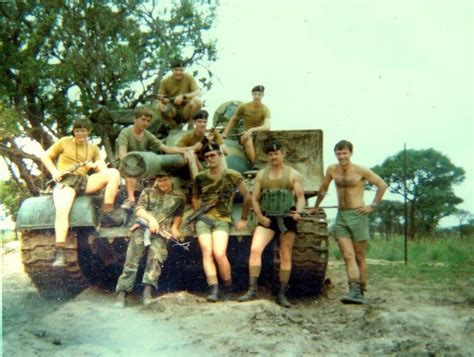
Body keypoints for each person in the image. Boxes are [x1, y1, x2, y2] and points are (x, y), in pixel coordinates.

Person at [311, 140, 387, 304]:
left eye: (345, 153)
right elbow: (323, 188)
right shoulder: (332, 169)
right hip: (342, 216)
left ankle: (361, 290)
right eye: (339, 153)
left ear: (350, 153)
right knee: (347, 255)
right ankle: (353, 290)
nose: (342, 156)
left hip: (358, 215)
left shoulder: (361, 170)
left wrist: (372, 206)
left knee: (359, 256)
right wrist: (316, 206)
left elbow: (382, 185)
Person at [40, 119, 122, 267]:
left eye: (83, 130)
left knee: (114, 173)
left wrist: (95, 166)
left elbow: (103, 169)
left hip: (84, 181)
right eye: (77, 130)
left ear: (88, 132)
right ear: (74, 131)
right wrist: (54, 172)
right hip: (66, 181)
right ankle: (60, 252)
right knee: (62, 211)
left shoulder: (93, 148)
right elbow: (45, 156)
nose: (80, 133)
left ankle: (107, 212)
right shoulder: (64, 141)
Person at [238, 140, 305, 308]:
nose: (273, 157)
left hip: (287, 217)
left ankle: (282, 294)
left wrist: (298, 212)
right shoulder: (261, 174)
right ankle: (252, 289)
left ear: (282, 154)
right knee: (255, 250)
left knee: (285, 255)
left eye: (276, 153)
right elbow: (254, 198)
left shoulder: (293, 174)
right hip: (267, 218)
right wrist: (260, 217)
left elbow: (300, 196)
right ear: (267, 156)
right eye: (270, 154)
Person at [115, 170, 185, 307]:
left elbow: (179, 213)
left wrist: (175, 227)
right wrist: (151, 219)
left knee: (155, 259)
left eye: (165, 180)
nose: (162, 183)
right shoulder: (148, 192)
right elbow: (139, 210)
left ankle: (147, 292)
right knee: (132, 260)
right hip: (142, 229)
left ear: (171, 179)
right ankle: (122, 293)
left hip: (161, 232)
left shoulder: (180, 196)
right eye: (159, 180)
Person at [192, 143, 251, 302]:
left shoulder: (232, 174)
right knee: (207, 251)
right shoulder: (200, 177)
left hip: (222, 219)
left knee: (219, 253)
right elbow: (195, 198)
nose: (210, 159)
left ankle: (228, 287)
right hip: (204, 219)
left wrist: (244, 218)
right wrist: (198, 214)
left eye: (213, 155)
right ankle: (214, 289)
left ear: (220, 156)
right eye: (207, 157)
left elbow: (247, 196)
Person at [117, 107, 187, 210]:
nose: (145, 123)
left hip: (143, 165)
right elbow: (122, 155)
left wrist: (182, 151)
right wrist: (133, 163)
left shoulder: (147, 135)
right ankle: (131, 199)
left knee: (160, 171)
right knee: (131, 169)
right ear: (135, 119)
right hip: (127, 164)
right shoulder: (126, 132)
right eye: (143, 119)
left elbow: (165, 148)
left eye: (148, 121)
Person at [221, 85, 270, 165]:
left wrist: (251, 130)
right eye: (255, 94)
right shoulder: (244, 106)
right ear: (252, 94)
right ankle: (255, 165)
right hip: (246, 135)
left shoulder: (265, 109)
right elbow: (233, 119)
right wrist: (225, 133)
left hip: (259, 135)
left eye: (259, 94)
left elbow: (267, 126)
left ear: (263, 95)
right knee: (247, 139)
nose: (257, 96)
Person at [176, 109, 228, 178]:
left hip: (213, 162)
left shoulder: (213, 132)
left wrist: (212, 143)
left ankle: (225, 177)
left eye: (204, 122)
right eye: (199, 122)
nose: (202, 124)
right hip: (198, 165)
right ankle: (196, 182)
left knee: (219, 148)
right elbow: (176, 149)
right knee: (191, 153)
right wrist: (194, 148)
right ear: (194, 123)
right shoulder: (189, 136)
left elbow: (225, 152)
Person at [157, 60, 203, 130]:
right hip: (172, 110)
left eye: (181, 70)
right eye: (176, 70)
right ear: (172, 70)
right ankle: (173, 126)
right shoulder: (165, 81)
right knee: (159, 106)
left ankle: (191, 125)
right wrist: (164, 100)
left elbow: (198, 93)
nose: (178, 72)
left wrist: (183, 96)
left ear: (184, 70)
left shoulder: (189, 78)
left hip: (186, 110)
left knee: (198, 100)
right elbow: (161, 97)